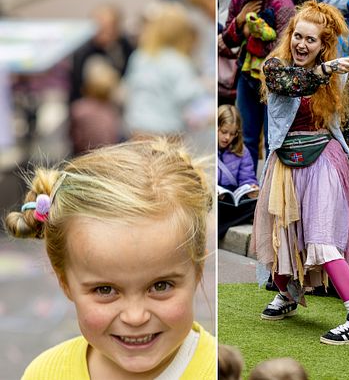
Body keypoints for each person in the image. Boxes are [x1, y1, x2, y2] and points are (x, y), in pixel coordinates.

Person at [5, 139, 216, 378]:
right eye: (105, 290)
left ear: (198, 268)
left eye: (161, 286)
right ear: (64, 280)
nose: (135, 317)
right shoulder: (44, 374)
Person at [251, 0, 349, 345]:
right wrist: (325, 71)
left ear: (324, 45)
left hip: (323, 159)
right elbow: (292, 83)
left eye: (311, 40)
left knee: (321, 240)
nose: (301, 45)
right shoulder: (276, 66)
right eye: (298, 37)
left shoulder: (337, 77)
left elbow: (346, 124)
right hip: (285, 161)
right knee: (281, 237)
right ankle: (289, 295)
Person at [220, 0, 295, 168]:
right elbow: (227, 39)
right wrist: (240, 21)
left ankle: (271, 191)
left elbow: (285, 48)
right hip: (247, 78)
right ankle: (248, 186)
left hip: (275, 84)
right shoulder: (238, 2)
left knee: (274, 140)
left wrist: (251, 36)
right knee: (246, 137)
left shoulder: (281, 4)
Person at [123, 2, 209, 138]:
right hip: (167, 129)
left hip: (137, 126)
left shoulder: (139, 56)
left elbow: (129, 86)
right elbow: (185, 94)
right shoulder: (179, 62)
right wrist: (204, 85)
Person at [218, 104, 260, 238]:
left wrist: (251, 188)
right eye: (224, 132)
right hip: (215, 199)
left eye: (232, 134)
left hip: (231, 200)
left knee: (256, 204)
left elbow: (247, 178)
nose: (227, 138)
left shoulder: (242, 151)